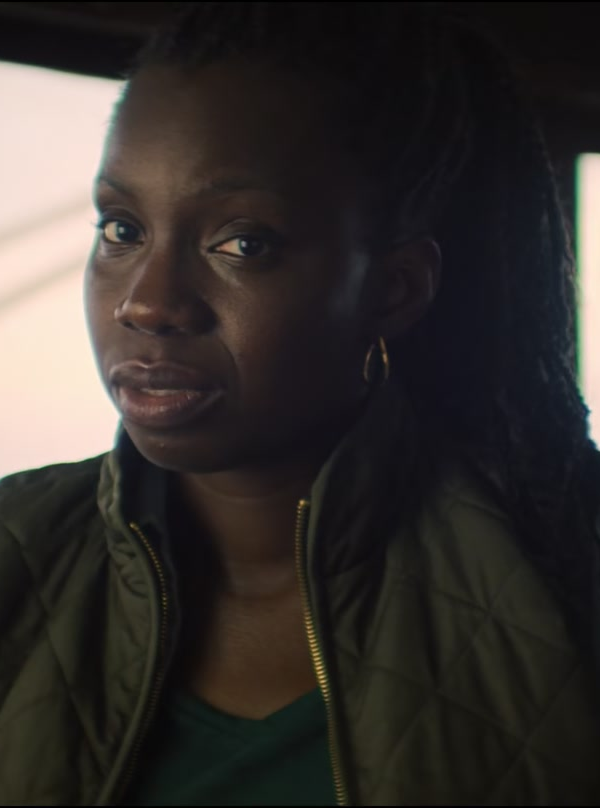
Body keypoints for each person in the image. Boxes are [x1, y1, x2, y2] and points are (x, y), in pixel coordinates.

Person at [1, 1, 600, 805]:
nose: (147, 302)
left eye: (243, 242)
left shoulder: (568, 571)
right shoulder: (17, 553)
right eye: (122, 229)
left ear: (393, 290)